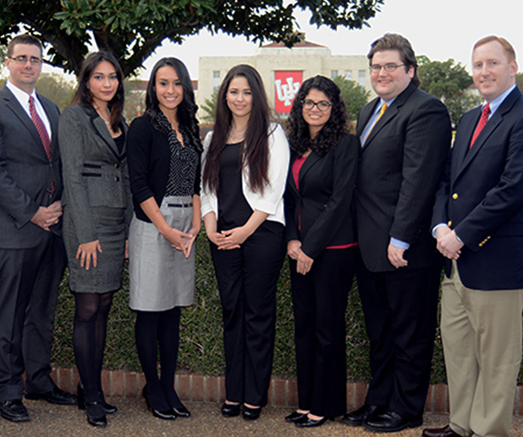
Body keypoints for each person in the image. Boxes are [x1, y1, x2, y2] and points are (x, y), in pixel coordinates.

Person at [423, 36, 523, 437]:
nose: (484, 72)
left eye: (492, 63)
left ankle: (489, 431)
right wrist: (440, 226)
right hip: (455, 261)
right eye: (478, 65)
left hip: (498, 262)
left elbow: (514, 190)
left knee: (496, 361)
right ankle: (462, 425)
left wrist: (460, 234)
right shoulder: (470, 119)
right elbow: (447, 181)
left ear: (512, 67)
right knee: (459, 355)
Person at [344, 33, 452, 433]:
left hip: (405, 249)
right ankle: (379, 402)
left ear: (410, 70)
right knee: (381, 333)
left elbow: (418, 181)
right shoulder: (369, 109)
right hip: (369, 245)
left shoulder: (427, 111)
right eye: (376, 66)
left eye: (391, 65)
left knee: (410, 334)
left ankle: (406, 409)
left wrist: (401, 238)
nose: (382, 72)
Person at [0, 34, 76, 423]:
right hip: (11, 230)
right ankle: (7, 389)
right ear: (8, 63)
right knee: (8, 314)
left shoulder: (50, 107)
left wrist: (60, 204)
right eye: (22, 58)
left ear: (42, 64)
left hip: (52, 228)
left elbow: (56, 165)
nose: (29, 65)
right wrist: (33, 212)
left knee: (42, 312)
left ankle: (39, 381)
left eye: (35, 59)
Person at [200, 64, 290, 421]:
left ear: (257, 95)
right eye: (234, 92)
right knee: (232, 313)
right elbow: (206, 189)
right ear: (225, 96)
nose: (239, 98)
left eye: (247, 92)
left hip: (261, 234)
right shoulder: (213, 139)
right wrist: (210, 227)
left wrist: (245, 232)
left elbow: (273, 192)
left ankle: (255, 395)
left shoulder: (272, 134)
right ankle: (233, 393)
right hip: (222, 236)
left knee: (258, 314)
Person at [127, 57, 201, 421]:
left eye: (176, 83)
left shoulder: (190, 126)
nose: (169, 90)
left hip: (186, 223)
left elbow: (198, 182)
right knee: (150, 310)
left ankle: (169, 386)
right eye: (162, 83)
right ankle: (152, 387)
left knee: (172, 311)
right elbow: (138, 184)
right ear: (153, 88)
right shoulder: (142, 127)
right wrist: (165, 228)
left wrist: (196, 224)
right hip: (152, 222)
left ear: (185, 87)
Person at [59, 51, 131, 428]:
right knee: (87, 308)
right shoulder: (73, 117)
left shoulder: (121, 120)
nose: (107, 83)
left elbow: (129, 177)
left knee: (103, 305)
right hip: (87, 226)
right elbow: (72, 176)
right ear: (86, 81)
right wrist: (85, 235)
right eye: (99, 77)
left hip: (117, 222)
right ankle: (91, 395)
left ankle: (91, 387)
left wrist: (132, 231)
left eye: (112, 77)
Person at [282, 75, 359, 428]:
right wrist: (293, 240)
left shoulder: (345, 144)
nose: (315, 109)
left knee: (327, 329)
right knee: (304, 328)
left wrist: (311, 246)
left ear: (334, 108)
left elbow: (340, 201)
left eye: (323, 104)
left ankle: (326, 406)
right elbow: (289, 198)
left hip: (333, 250)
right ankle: (306, 402)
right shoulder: (294, 143)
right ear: (300, 106)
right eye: (309, 103)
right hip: (300, 249)